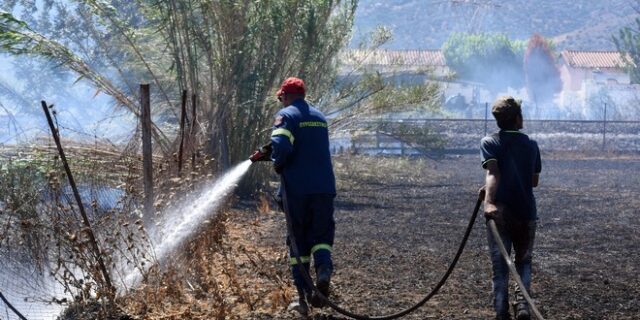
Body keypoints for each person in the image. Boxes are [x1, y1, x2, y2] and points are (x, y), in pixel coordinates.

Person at [270, 77, 336, 316]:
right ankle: (323, 271)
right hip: (324, 189)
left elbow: (281, 145)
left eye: (281, 98)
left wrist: (277, 163)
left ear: (286, 96)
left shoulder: (286, 115)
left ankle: (303, 298)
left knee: (298, 242)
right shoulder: (319, 118)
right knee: (320, 236)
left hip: (297, 190)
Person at [480, 96, 541, 320]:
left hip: (500, 215)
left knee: (500, 265)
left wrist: (488, 201)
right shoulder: (532, 145)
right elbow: (533, 181)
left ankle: (501, 311)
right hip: (526, 212)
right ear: (517, 118)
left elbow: (493, 172)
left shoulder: (490, 142)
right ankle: (523, 307)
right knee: (523, 261)